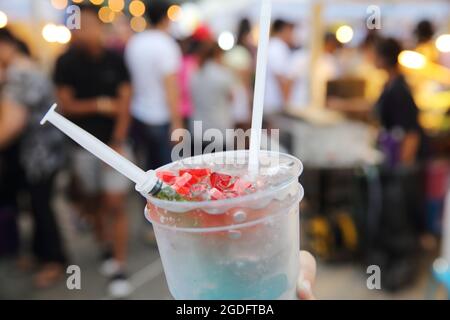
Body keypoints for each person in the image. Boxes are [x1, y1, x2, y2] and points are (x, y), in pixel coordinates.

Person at [53, 4, 132, 298]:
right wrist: (101, 104)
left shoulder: (115, 59)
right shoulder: (65, 62)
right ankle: (106, 249)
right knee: (95, 203)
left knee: (116, 203)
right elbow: (66, 106)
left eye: (85, 24)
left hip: (114, 144)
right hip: (81, 148)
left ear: (99, 26)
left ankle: (120, 265)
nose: (80, 31)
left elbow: (125, 103)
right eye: (75, 25)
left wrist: (118, 140)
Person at [0, 28, 67, 287]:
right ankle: (43, 256)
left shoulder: (20, 74)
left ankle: (54, 260)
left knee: (41, 207)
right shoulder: (23, 70)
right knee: (39, 205)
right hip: (43, 152)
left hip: (39, 155)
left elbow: (13, 123)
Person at [125, 0, 183, 170]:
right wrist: (177, 123)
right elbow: (170, 86)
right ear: (165, 18)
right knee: (166, 170)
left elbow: (132, 80)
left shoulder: (135, 42)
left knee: (145, 167)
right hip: (161, 116)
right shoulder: (166, 44)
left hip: (138, 112)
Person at [191, 42, 236, 152]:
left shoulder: (195, 74)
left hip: (198, 129)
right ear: (218, 54)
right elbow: (232, 98)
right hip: (220, 129)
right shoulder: (224, 75)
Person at [265, 19, 296, 118]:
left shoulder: (273, 46)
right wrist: (286, 104)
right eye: (291, 31)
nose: (292, 34)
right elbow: (281, 78)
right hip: (275, 103)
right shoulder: (278, 47)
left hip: (272, 102)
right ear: (284, 30)